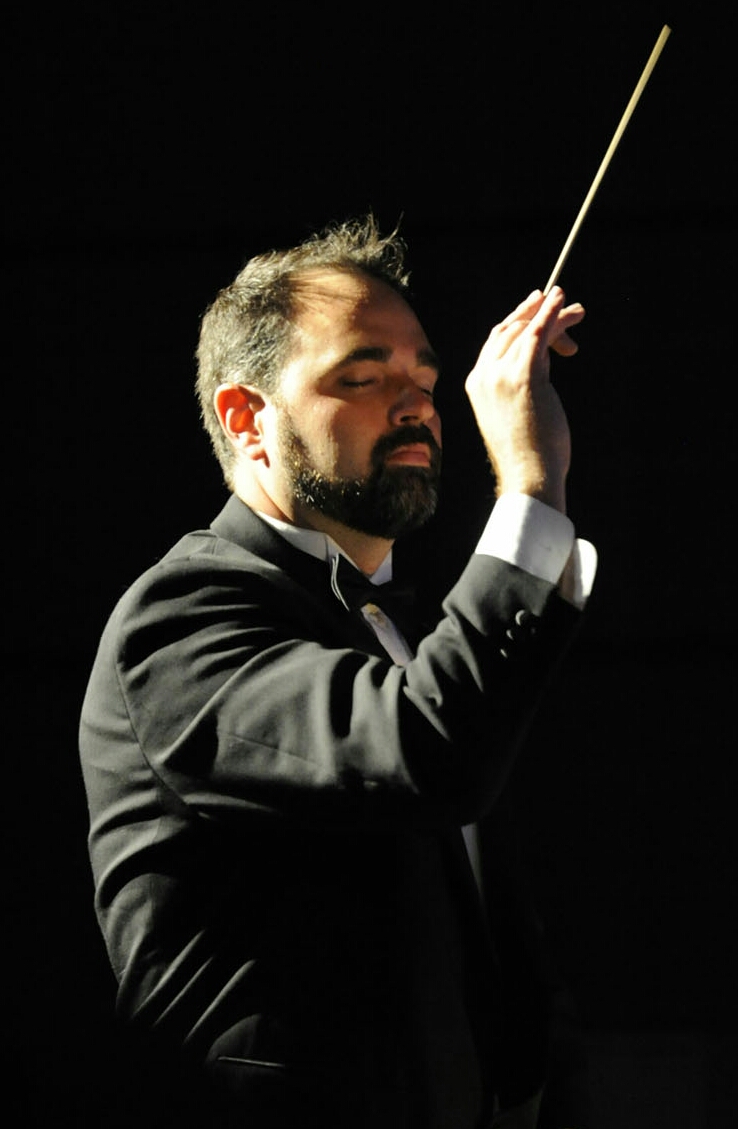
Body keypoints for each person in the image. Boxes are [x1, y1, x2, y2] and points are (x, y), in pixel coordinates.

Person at [79, 216, 596, 1129]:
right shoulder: (183, 618)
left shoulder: (397, 623)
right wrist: (525, 487)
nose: (417, 405)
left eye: (426, 382)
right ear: (247, 419)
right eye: (362, 379)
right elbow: (424, 752)